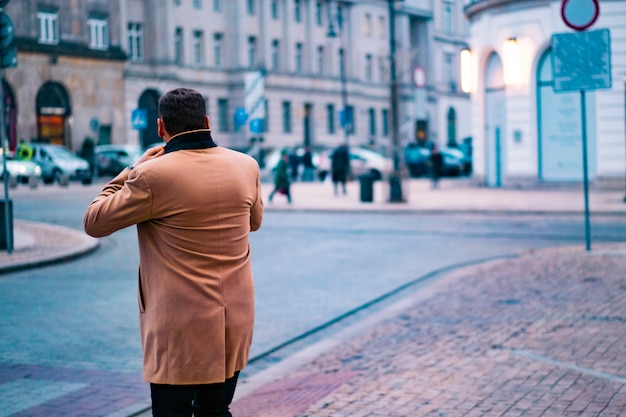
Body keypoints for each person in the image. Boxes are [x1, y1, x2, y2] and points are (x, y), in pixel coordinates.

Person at [83, 88, 264, 417]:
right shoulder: (246, 165)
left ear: (160, 128)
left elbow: (94, 221)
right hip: (233, 320)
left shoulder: (151, 175)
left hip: (180, 329)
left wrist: (131, 169)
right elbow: (255, 222)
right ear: (207, 121)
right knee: (216, 410)